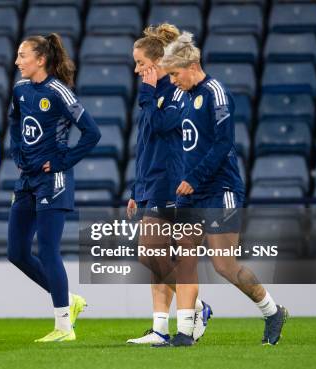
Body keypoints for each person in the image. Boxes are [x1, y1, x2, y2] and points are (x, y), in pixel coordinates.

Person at [155, 31, 288, 347]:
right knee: (182, 259)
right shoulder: (185, 96)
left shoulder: (215, 92)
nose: (172, 80)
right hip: (190, 191)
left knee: (223, 264)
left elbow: (223, 142)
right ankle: (185, 333)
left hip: (221, 189)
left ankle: (272, 311)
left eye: (175, 73)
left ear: (192, 65)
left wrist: (194, 178)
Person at [7, 33, 101, 342]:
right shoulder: (20, 89)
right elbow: (14, 124)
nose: (17, 61)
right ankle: (69, 299)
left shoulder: (59, 91)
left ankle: (64, 327)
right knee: (17, 252)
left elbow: (91, 132)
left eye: (23, 55)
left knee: (48, 249)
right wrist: (17, 152)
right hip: (27, 179)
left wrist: (63, 161)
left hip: (53, 180)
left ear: (40, 60)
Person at [125, 24, 212, 346]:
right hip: (153, 183)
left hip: (174, 183)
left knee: (155, 255)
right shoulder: (153, 93)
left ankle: (193, 310)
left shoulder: (177, 91)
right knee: (153, 256)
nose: (136, 70)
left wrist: (148, 95)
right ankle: (162, 327)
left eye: (140, 63)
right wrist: (137, 189)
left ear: (158, 61)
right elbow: (145, 144)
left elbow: (164, 126)